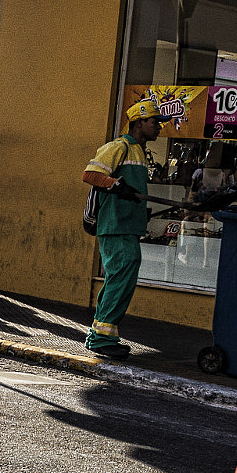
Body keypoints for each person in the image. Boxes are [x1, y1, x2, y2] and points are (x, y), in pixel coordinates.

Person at [81, 98, 161, 357]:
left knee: (121, 277)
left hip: (126, 225)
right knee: (122, 274)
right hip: (114, 225)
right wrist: (116, 185)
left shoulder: (139, 151)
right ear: (139, 122)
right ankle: (101, 338)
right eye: (154, 122)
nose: (159, 127)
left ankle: (101, 333)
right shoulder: (120, 146)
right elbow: (90, 175)